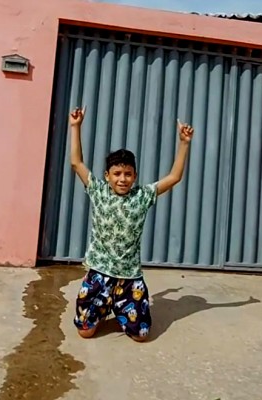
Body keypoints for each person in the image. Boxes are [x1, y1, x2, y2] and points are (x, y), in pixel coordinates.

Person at [69, 106, 194, 342]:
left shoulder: (142, 196)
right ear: (107, 176)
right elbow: (77, 163)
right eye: (117, 173)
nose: (122, 179)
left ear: (134, 176)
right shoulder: (98, 191)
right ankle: (105, 307)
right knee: (85, 331)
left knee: (141, 335)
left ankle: (120, 307)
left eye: (127, 174)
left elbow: (174, 177)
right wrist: (75, 126)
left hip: (129, 277)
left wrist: (184, 143)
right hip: (99, 274)